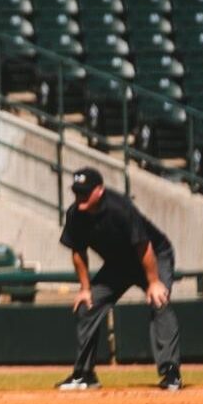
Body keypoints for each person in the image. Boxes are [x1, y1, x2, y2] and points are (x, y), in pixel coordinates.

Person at [57, 167, 180, 391]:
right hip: (119, 264)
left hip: (152, 256)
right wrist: (85, 288)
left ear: (99, 190)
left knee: (160, 301)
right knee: (88, 304)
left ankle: (171, 372)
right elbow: (78, 252)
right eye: (77, 192)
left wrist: (153, 282)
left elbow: (144, 246)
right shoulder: (75, 214)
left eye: (85, 191)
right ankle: (84, 374)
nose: (80, 197)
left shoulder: (120, 208)